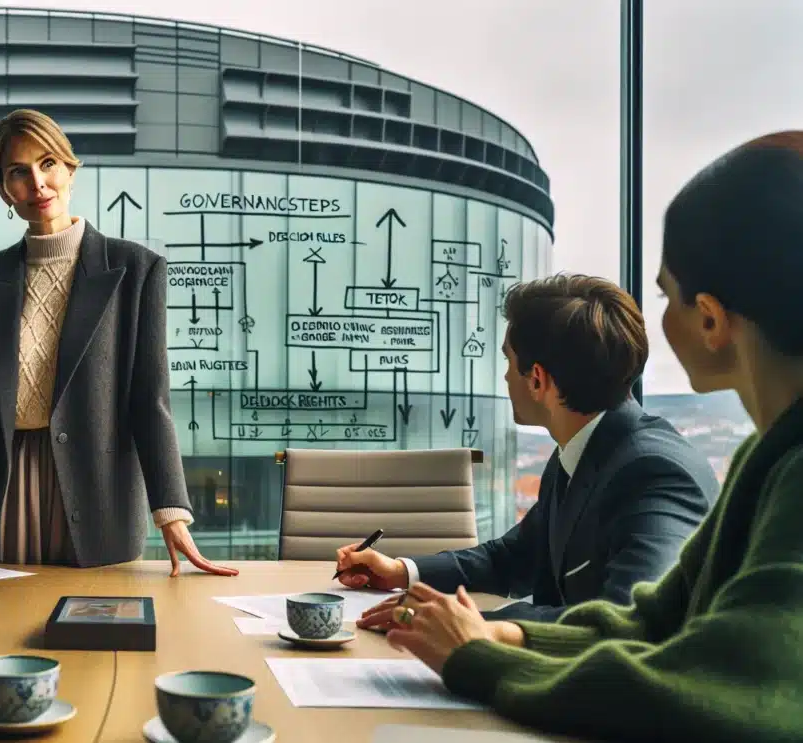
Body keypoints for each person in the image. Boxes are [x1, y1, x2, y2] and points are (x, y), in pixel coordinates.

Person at [373, 131, 803, 742]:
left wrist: (479, 656)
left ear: (709, 317)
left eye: (664, 293)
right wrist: (495, 629)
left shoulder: (681, 469)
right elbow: (655, 622)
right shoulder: (767, 456)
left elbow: (716, 687)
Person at [0, 109, 234, 576]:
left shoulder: (136, 270)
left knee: (98, 634)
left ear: (71, 169)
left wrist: (172, 511)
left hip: (98, 490)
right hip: (9, 489)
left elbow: (149, 401)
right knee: (6, 628)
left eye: (48, 164)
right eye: (18, 172)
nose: (37, 183)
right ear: (3, 190)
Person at [339, 274, 717, 623]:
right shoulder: (580, 451)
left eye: (508, 360)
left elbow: (629, 620)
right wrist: (402, 572)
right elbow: (515, 557)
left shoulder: (654, 472)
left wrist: (466, 623)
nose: (504, 375)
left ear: (536, 379)